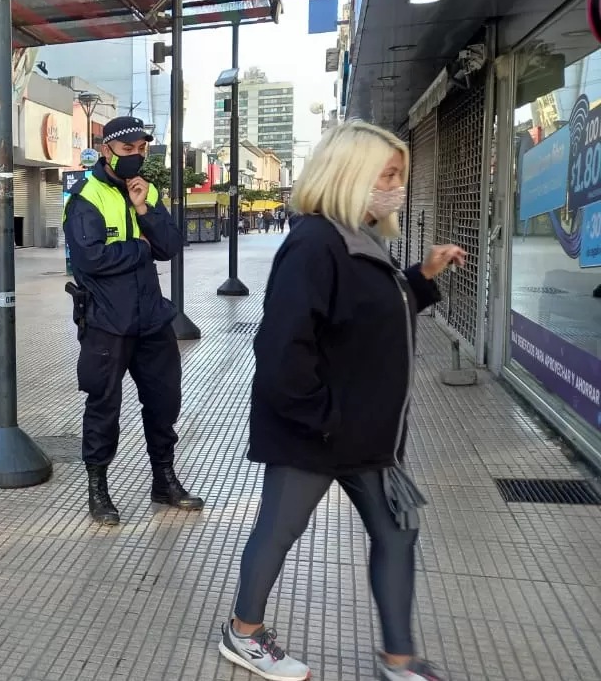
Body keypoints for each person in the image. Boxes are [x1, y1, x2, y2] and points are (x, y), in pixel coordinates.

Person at [218, 121, 465, 681]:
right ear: (350, 175)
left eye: (400, 174)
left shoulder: (359, 240)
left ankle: (399, 659)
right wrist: (325, 422)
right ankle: (244, 632)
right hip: (320, 435)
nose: (397, 186)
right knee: (279, 530)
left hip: (367, 438)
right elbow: (281, 350)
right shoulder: (314, 243)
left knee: (397, 532)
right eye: (388, 173)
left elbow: (367, 316)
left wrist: (422, 277)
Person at [62, 116, 203, 525]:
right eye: (128, 150)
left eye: (142, 149)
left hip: (151, 319)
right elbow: (89, 259)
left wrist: (144, 208)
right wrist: (139, 249)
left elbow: (171, 245)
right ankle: (98, 487)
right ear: (106, 150)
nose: (136, 157)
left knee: (164, 403)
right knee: (104, 405)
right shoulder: (85, 197)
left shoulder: (147, 190)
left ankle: (164, 480)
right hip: (107, 322)